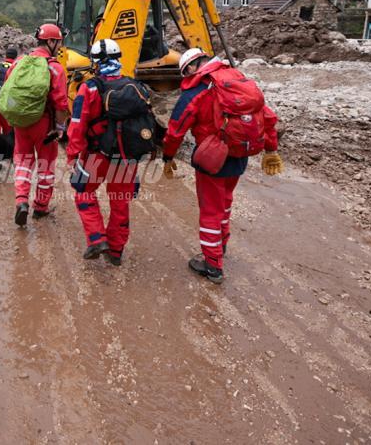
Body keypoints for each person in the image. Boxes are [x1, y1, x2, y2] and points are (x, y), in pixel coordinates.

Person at [162, 48, 283, 284]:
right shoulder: (237, 78)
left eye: (185, 73)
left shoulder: (198, 89)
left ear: (189, 68)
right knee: (225, 203)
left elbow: (176, 128)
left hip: (213, 158)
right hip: (240, 155)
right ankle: (222, 245)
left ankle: (212, 265)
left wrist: (168, 156)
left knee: (210, 210)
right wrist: (271, 149)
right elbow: (266, 117)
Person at [67, 39, 154, 266]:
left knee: (83, 192)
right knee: (120, 202)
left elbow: (77, 124)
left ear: (95, 62)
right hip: (126, 156)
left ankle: (96, 238)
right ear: (119, 59)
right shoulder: (135, 86)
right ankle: (116, 251)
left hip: (98, 155)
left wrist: (73, 153)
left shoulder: (90, 88)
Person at [4, 24, 69, 225]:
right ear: (50, 41)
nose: (59, 46)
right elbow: (61, 104)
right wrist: (59, 128)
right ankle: (40, 207)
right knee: (46, 165)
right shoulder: (55, 67)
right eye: (58, 42)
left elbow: (9, 87)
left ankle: (21, 201)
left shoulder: (20, 62)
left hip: (22, 122)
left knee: (23, 161)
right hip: (44, 123)